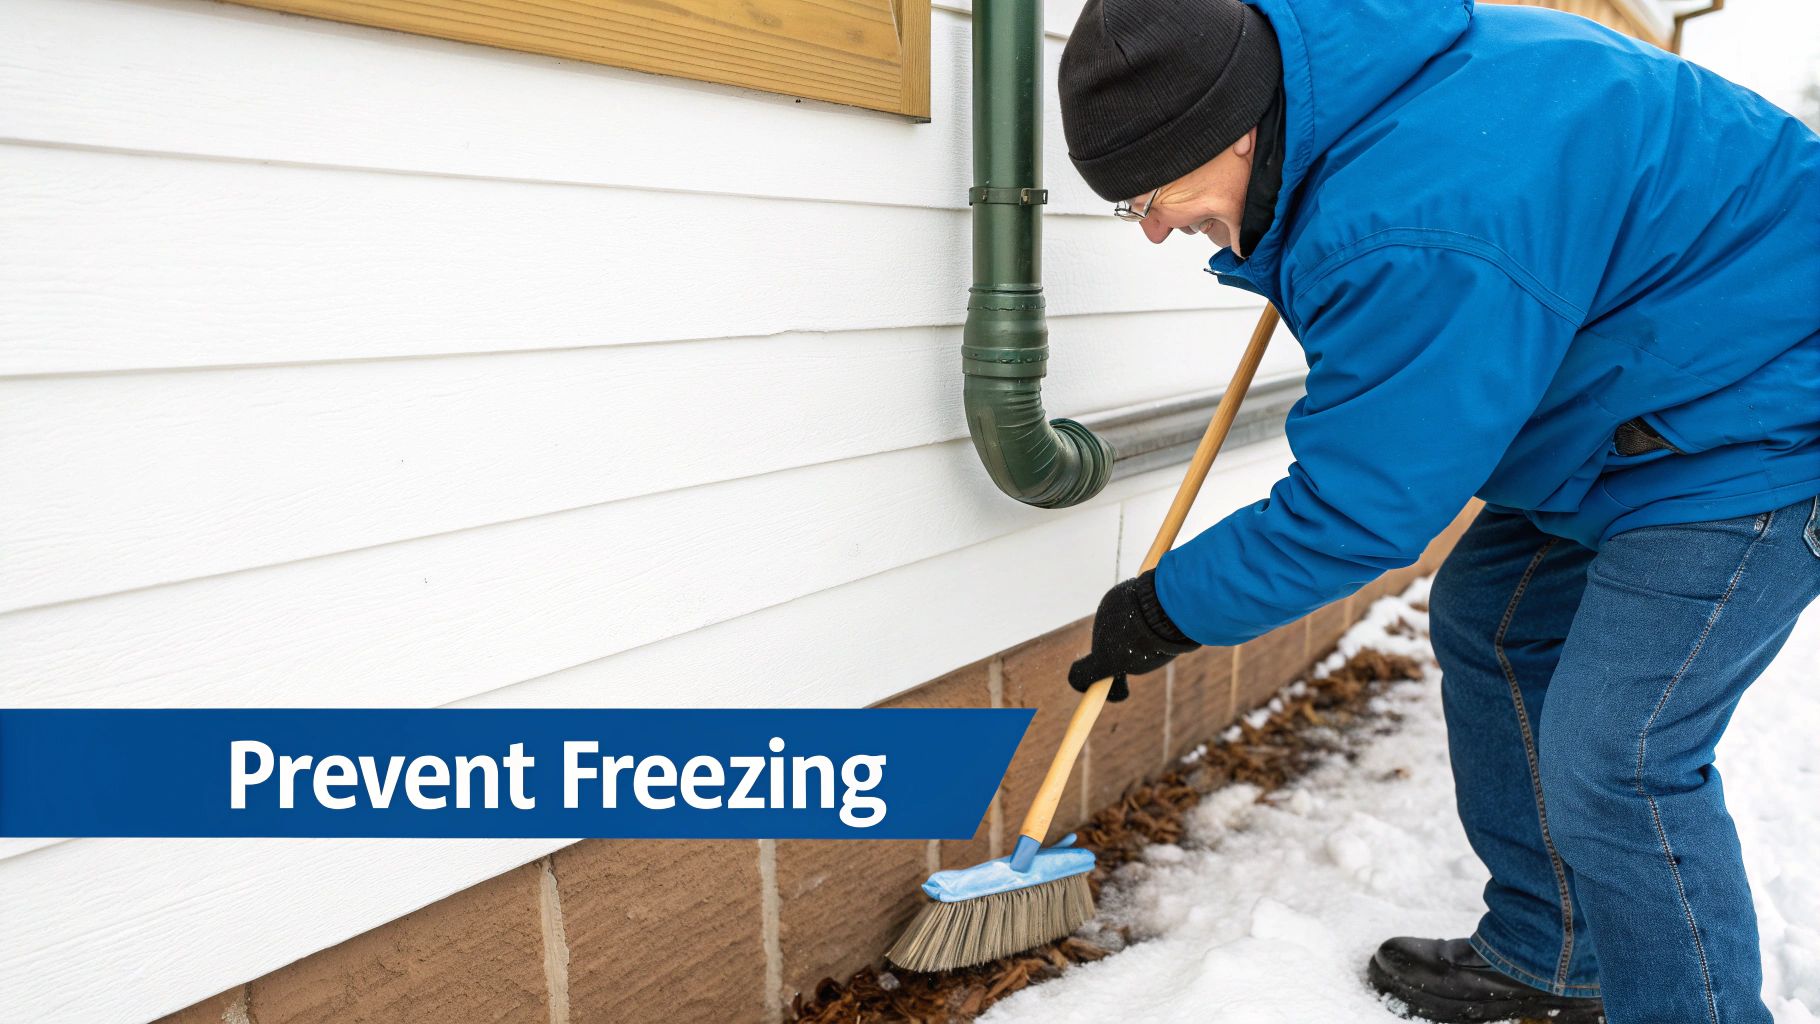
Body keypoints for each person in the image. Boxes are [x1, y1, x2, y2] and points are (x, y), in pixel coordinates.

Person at [1053, 0, 1820, 1020]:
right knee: (1491, 617)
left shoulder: (1410, 220)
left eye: (1153, 191)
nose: (1153, 227)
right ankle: (1554, 952)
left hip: (1755, 423)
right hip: (1638, 397)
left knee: (1619, 758)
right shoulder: (1352, 92)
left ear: (1234, 131)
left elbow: (1357, 510)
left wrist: (1165, 609)